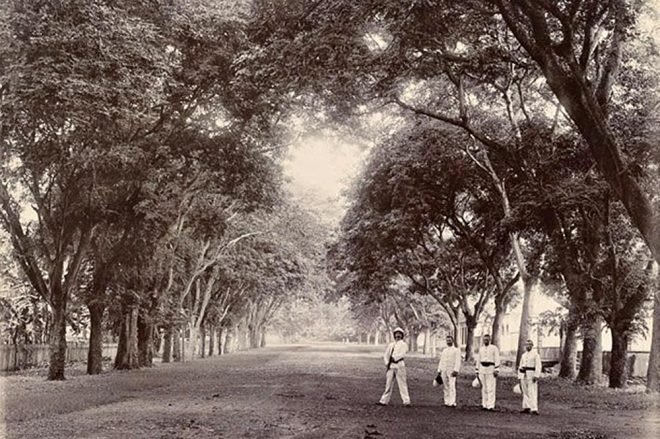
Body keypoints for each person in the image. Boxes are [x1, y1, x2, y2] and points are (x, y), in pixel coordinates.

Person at [377, 327, 411, 407]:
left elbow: (402, 354)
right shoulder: (391, 345)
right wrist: (387, 363)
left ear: (402, 335)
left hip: (399, 365)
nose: (397, 335)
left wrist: (395, 358)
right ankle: (384, 400)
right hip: (391, 365)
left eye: (399, 334)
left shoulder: (404, 344)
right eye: (396, 334)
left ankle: (406, 401)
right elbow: (386, 355)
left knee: (402, 383)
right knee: (388, 384)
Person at [475, 334, 500, 411]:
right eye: (484, 339)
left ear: (490, 339)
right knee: (484, 387)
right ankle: (484, 404)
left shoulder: (494, 348)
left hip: (490, 369)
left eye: (487, 339)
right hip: (482, 369)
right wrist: (477, 370)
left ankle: (490, 405)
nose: (486, 341)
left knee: (491, 388)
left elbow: (497, 358)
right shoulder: (481, 349)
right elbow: (478, 359)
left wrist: (496, 369)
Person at [435, 334, 461, 407]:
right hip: (444, 369)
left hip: (451, 370)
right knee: (445, 386)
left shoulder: (456, 350)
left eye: (450, 340)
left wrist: (456, 370)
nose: (448, 342)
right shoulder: (444, 350)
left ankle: (452, 402)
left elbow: (458, 361)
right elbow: (441, 360)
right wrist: (439, 370)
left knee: (452, 386)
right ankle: (446, 401)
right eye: (447, 341)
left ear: (453, 341)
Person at [518, 339, 542, 415]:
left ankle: (534, 408)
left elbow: (538, 366)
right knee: (525, 391)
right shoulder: (523, 355)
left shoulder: (535, 355)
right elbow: (520, 365)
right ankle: (526, 407)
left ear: (532, 346)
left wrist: (536, 375)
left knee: (532, 391)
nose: (527, 346)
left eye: (529, 345)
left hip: (531, 373)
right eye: (526, 345)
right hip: (523, 374)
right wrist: (519, 375)